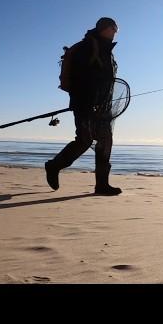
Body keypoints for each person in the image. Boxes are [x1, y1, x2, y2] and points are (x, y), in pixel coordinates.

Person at [44, 17, 122, 195]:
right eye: (114, 28)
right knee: (85, 140)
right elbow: (82, 80)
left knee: (105, 141)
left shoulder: (106, 50)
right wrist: (88, 102)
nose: (116, 31)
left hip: (103, 106)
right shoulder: (86, 48)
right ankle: (53, 166)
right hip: (85, 104)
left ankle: (102, 185)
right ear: (105, 28)